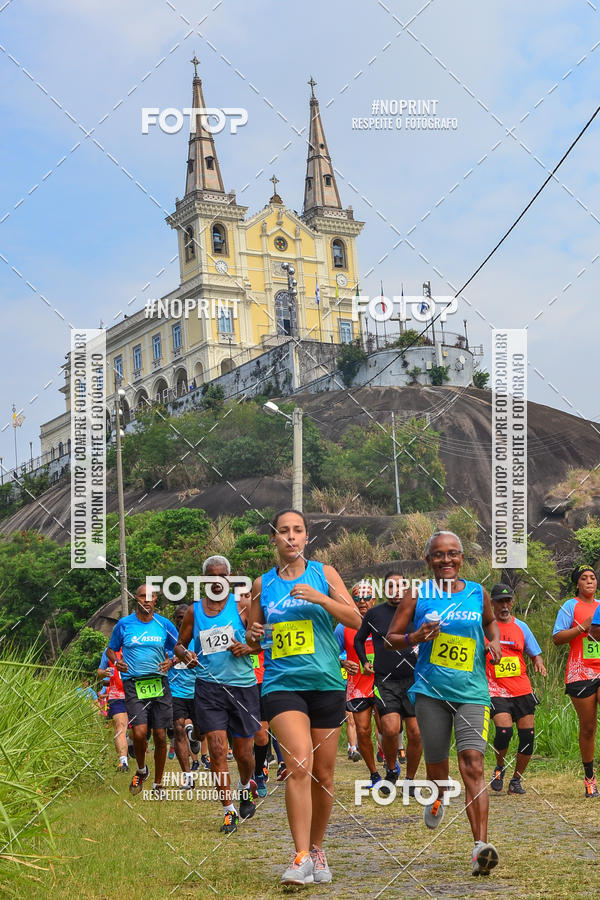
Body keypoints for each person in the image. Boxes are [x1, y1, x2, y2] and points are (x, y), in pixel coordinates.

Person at [246, 508, 362, 887]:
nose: (291, 537)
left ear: (307, 537)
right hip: (282, 684)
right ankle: (299, 858)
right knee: (299, 764)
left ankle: (316, 849)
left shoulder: (324, 574)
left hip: (326, 683)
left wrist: (321, 598)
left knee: (324, 776)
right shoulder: (263, 584)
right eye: (283, 531)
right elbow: (254, 635)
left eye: (297, 531)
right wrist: (253, 634)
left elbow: (356, 620)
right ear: (274, 539)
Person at [387, 530, 502, 877]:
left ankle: (480, 846)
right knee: (438, 772)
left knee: (473, 764)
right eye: (438, 555)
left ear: (462, 558)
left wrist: (493, 642)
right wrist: (415, 637)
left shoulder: (477, 593)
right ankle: (437, 797)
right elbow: (391, 638)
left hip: (472, 693)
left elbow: (491, 623)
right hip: (431, 694)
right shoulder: (418, 594)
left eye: (453, 554)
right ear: (428, 561)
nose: (446, 560)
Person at [174, 555, 260, 835]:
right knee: (218, 749)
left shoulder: (243, 606)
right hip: (209, 688)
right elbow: (179, 644)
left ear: (229, 578)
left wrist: (249, 648)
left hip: (243, 686)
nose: (217, 580)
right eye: (211, 576)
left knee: (245, 752)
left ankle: (246, 787)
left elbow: (266, 639)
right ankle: (228, 811)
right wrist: (185, 654)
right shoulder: (194, 611)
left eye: (222, 576)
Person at [107, 584, 178, 797]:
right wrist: (117, 661)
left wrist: (172, 662)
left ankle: (158, 784)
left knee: (159, 734)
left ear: (156, 599)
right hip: (134, 683)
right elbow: (110, 649)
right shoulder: (124, 624)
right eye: (142, 596)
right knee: (138, 733)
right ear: (136, 599)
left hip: (158, 683)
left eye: (151, 596)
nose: (146, 600)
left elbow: (180, 648)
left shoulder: (164, 624)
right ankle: (141, 769)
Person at [354, 572, 422, 793]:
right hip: (385, 681)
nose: (395, 589)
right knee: (391, 730)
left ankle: (410, 779)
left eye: (400, 585)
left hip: (412, 680)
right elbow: (358, 639)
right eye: (390, 586)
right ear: (384, 590)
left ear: (406, 588)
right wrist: (364, 661)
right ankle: (392, 769)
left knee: (416, 733)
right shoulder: (374, 614)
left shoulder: (416, 610)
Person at [487, 583, 547, 794]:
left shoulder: (521, 626)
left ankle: (516, 780)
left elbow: (534, 651)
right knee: (504, 731)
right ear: (492, 603)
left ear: (512, 602)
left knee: (528, 736)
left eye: (508, 601)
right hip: (495, 688)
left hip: (521, 689)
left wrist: (538, 662)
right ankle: (500, 767)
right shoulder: (485, 626)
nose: (505, 605)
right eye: (500, 602)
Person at [555, 565, 600, 797]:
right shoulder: (570, 606)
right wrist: (584, 627)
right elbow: (557, 638)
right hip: (580, 672)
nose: (590, 581)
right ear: (577, 584)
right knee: (588, 727)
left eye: (593, 577)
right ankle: (590, 778)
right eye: (584, 578)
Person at [335, 580, 380, 785]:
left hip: (382, 683)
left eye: (366, 598)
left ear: (375, 600)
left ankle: (390, 764)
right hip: (357, 685)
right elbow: (331, 654)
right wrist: (343, 663)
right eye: (357, 598)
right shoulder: (342, 627)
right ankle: (373, 773)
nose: (362, 602)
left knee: (387, 727)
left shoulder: (384, 621)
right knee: (363, 730)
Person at [169, 604, 202, 788]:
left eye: (184, 617)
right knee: (178, 728)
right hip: (176, 691)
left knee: (201, 732)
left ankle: (196, 737)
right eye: (178, 617)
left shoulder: (198, 636)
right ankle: (188, 777)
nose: (181, 620)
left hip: (198, 690)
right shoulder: (170, 638)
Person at [98, 647, 130, 772]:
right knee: (119, 725)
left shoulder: (138, 644)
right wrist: (104, 673)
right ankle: (123, 762)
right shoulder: (109, 651)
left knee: (138, 732)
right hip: (117, 695)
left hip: (137, 694)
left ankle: (130, 743)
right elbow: (100, 672)